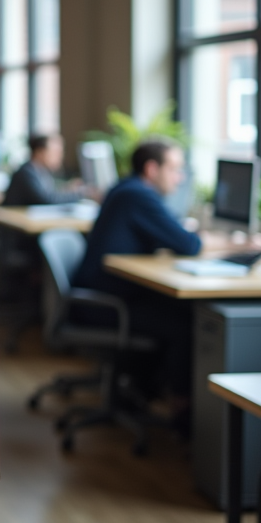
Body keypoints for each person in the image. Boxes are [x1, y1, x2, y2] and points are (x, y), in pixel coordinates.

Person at [71, 140, 201, 401]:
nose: (180, 177)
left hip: (101, 294)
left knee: (176, 309)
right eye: (174, 169)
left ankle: (143, 389)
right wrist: (234, 243)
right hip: (105, 305)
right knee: (185, 323)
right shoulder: (138, 195)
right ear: (152, 169)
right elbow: (188, 244)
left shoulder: (124, 187)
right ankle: (178, 406)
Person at [3, 134, 84, 206]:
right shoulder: (26, 173)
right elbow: (45, 200)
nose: (60, 157)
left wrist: (68, 189)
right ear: (40, 152)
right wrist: (79, 194)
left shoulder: (42, 171)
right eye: (55, 152)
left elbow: (51, 193)